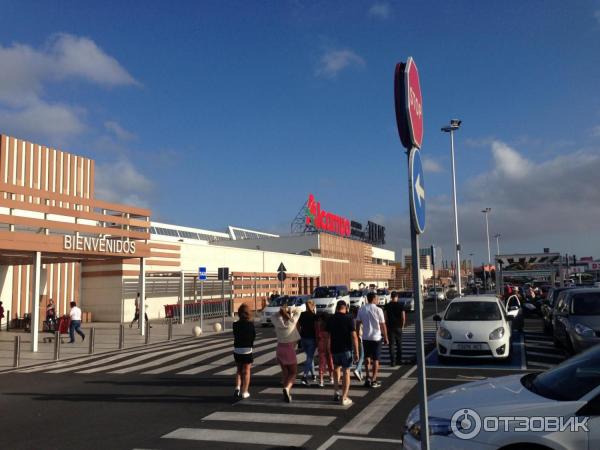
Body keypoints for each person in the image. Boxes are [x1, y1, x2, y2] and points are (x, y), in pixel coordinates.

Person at [327, 300, 359, 406]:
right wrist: (356, 352)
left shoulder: (331, 318)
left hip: (334, 348)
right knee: (346, 371)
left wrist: (328, 348)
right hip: (346, 349)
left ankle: (336, 392)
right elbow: (354, 336)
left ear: (337, 308)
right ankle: (344, 397)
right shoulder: (349, 318)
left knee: (336, 368)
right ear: (345, 308)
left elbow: (327, 335)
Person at [357, 292, 388, 388]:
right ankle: (374, 379)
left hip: (365, 337)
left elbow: (358, 323)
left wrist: (358, 333)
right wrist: (386, 337)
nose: (378, 299)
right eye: (377, 298)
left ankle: (367, 378)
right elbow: (382, 324)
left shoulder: (362, 309)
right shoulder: (379, 310)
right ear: (374, 299)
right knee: (376, 359)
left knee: (367, 357)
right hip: (376, 337)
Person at [273, 304, 301, 403]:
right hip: (289, 348)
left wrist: (281, 311)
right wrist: (290, 309)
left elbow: (274, 315)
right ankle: (287, 388)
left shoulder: (276, 322)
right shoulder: (292, 322)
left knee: (285, 372)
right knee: (293, 372)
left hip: (280, 348)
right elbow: (299, 310)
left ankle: (285, 391)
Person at [232, 303, 255, 400]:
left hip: (237, 349)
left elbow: (235, 335)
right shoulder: (250, 324)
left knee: (238, 370)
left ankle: (237, 387)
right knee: (246, 371)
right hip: (247, 350)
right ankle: (244, 391)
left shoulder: (235, 324)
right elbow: (253, 337)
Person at [297, 300, 317, 385]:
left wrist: (299, 336)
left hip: (303, 338)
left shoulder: (302, 315)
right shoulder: (314, 316)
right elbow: (316, 328)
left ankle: (313, 374)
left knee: (310, 356)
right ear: (313, 306)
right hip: (311, 338)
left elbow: (298, 326)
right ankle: (304, 376)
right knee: (309, 357)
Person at [385, 291, 406, 366]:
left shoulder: (387, 305)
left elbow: (386, 318)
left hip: (390, 327)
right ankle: (399, 360)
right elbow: (403, 317)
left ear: (391, 297)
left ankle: (392, 361)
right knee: (399, 344)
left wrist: (386, 326)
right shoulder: (401, 305)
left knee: (391, 345)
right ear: (397, 297)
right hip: (398, 327)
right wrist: (402, 326)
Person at [316, 312, 334, 387]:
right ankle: (331, 377)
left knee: (321, 363)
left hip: (321, 344)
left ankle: (321, 380)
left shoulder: (318, 325)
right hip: (329, 344)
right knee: (330, 361)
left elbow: (317, 335)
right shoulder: (330, 325)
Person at [351, 306, 364, 381]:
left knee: (357, 356)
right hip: (360, 338)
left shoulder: (352, 320)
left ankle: (360, 373)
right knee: (362, 356)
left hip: (353, 340)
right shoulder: (360, 320)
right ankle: (357, 369)